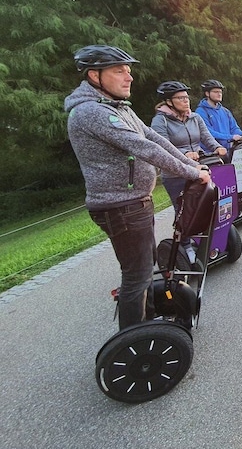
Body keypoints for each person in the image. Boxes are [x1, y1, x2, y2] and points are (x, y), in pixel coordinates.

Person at [65, 45, 211, 330]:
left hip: (134, 202)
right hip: (120, 206)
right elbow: (142, 148)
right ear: (94, 76)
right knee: (136, 276)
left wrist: (191, 167)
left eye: (129, 71)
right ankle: (136, 339)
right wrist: (190, 172)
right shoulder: (91, 112)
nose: (128, 77)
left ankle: (147, 324)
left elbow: (154, 138)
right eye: (119, 71)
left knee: (143, 272)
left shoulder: (118, 108)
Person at [151, 81, 226, 264]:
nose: (186, 101)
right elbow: (162, 147)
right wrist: (185, 154)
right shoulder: (160, 121)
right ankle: (185, 246)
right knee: (184, 211)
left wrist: (217, 147)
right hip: (175, 174)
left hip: (200, 169)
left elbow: (206, 137)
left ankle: (206, 240)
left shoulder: (194, 117)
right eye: (180, 98)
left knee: (207, 205)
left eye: (186, 97)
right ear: (169, 101)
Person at [195, 79, 242, 150]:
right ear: (207, 93)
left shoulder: (225, 111)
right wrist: (230, 137)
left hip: (227, 149)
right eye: (215, 92)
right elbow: (208, 133)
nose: (219, 94)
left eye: (220, 92)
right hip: (212, 152)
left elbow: (234, 129)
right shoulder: (200, 112)